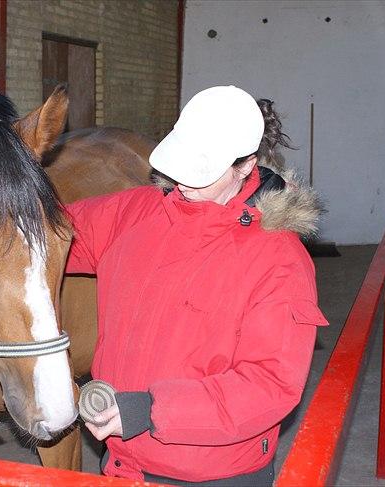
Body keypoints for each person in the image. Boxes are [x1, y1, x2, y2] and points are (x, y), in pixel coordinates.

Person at [65, 86, 329, 486]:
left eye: (201, 170)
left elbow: (269, 384)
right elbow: (42, 238)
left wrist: (151, 410)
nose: (183, 179)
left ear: (245, 165)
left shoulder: (278, 259)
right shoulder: (134, 212)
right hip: (122, 465)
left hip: (210, 475)